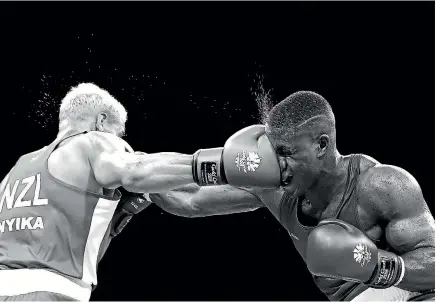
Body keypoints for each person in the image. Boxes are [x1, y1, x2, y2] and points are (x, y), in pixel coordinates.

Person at [151, 91, 435, 301]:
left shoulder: (382, 185)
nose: (278, 164)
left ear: (321, 145)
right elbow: (191, 201)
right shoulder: (275, 189)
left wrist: (376, 266)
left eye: (287, 153)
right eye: (273, 153)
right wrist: (139, 183)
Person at [0, 82, 254, 302]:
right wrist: (227, 163)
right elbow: (136, 173)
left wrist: (260, 195)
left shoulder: (13, 173)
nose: (122, 147)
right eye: (119, 135)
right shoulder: (93, 143)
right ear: (101, 121)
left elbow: (189, 199)